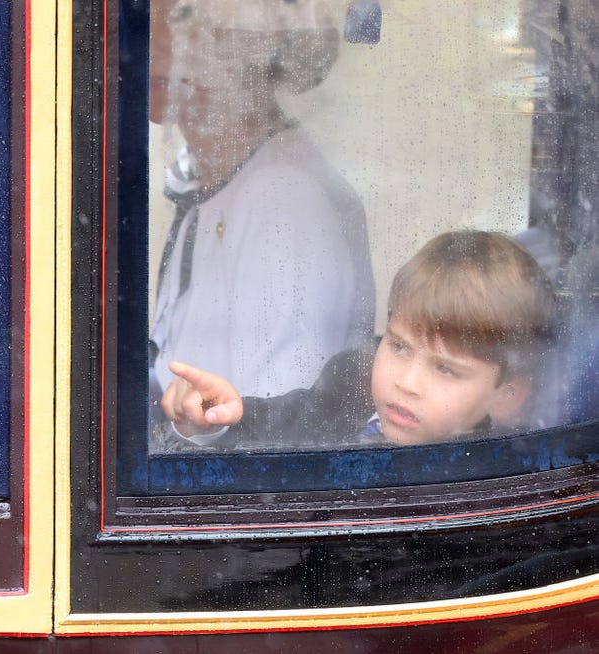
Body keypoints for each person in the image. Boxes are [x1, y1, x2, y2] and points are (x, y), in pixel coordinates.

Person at [148, 0, 376, 406]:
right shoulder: (208, 177)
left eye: (181, 13)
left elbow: (273, 432)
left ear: (240, 49)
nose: (145, 29)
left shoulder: (283, 203)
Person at [160, 231, 556, 449]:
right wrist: (212, 419)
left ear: (507, 395)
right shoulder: (348, 385)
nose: (407, 382)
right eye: (399, 346)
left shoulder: (483, 473)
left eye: (447, 369)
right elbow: (276, 428)